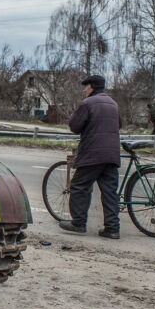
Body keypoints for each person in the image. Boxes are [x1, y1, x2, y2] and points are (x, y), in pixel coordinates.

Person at [60, 75, 122, 239]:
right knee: (110, 191)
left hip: (92, 153)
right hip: (112, 153)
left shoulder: (87, 103)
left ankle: (78, 223)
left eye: (85, 86)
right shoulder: (113, 104)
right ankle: (112, 228)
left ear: (92, 87)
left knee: (79, 186)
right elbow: (119, 124)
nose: (83, 89)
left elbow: (75, 126)